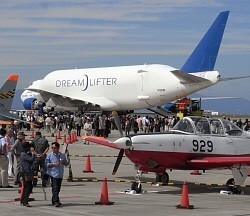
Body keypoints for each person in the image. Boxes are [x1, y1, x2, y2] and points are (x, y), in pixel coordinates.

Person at [45, 142, 67, 207]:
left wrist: (64, 162)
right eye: (52, 148)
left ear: (58, 148)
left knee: (58, 189)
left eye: (54, 148)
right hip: (53, 174)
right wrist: (53, 164)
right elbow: (46, 164)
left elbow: (66, 163)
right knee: (55, 188)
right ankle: (55, 202)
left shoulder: (62, 155)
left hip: (60, 174)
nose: (53, 149)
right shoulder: (49, 155)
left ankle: (55, 200)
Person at [20, 142, 35, 207]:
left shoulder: (25, 153)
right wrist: (33, 153)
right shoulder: (24, 154)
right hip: (26, 172)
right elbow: (31, 159)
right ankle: (25, 201)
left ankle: (23, 200)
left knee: (26, 186)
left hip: (26, 171)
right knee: (28, 187)